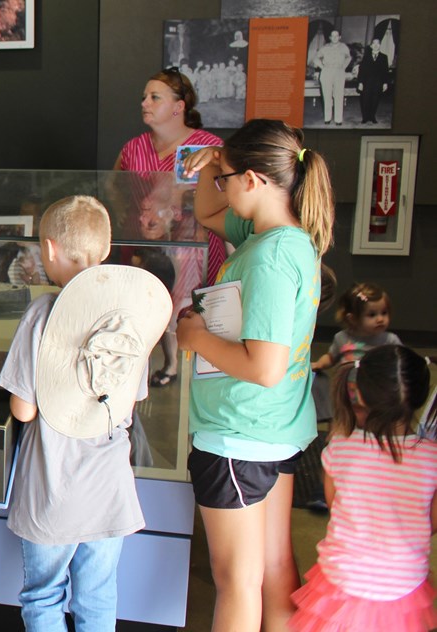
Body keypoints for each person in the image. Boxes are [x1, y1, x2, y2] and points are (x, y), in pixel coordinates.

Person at [178, 119, 335, 631]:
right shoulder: (290, 239)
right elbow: (206, 211)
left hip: (238, 435)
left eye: (226, 178)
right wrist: (213, 162)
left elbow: (263, 367)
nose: (219, 188)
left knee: (237, 584)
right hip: (273, 431)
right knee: (272, 570)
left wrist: (196, 338)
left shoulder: (267, 257)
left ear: (254, 180)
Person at [0, 196, 165, 631]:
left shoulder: (41, 314)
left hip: (54, 486)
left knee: (44, 596)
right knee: (97, 597)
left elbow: (24, 409)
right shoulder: (130, 318)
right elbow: (130, 400)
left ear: (49, 249)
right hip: (109, 488)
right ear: (106, 250)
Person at [289, 345, 437, 632]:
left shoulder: (341, 447)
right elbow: (429, 523)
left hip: (342, 580)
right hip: (402, 584)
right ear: (419, 397)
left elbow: (337, 507)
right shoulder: (432, 458)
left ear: (361, 393)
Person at [115, 68, 224, 388]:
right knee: (152, 306)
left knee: (194, 308)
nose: (144, 103)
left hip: (196, 247)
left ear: (179, 107)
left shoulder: (208, 146)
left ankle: (201, 370)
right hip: (148, 246)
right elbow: (116, 187)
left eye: (154, 97)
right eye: (144, 97)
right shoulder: (133, 148)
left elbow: (224, 196)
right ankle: (157, 366)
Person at [311, 283, 399, 371]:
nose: (380, 319)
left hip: (378, 383)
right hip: (348, 383)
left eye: (384, 313)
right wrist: (319, 364)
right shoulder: (342, 338)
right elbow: (331, 357)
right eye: (372, 315)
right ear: (353, 319)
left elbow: (404, 361)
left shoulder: (390, 340)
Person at [313, 30, 351, 126]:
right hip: (327, 72)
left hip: (339, 71)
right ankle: (327, 118)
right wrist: (322, 67)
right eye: (332, 36)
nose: (334, 38)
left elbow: (348, 58)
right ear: (330, 37)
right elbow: (316, 58)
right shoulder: (325, 47)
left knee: (339, 96)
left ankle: (338, 119)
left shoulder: (344, 47)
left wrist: (344, 67)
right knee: (327, 96)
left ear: (339, 37)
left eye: (336, 36)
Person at [356, 39, 389, 124]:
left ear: (380, 45)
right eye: (374, 43)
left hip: (378, 83)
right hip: (367, 82)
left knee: (375, 100)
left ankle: (372, 116)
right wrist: (360, 82)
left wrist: (385, 83)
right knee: (365, 99)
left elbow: (385, 71)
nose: (376, 45)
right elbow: (362, 70)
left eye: (378, 43)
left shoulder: (384, 57)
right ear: (371, 46)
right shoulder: (366, 56)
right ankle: (365, 117)